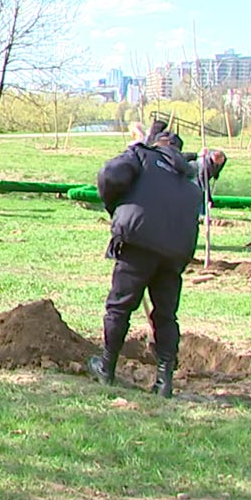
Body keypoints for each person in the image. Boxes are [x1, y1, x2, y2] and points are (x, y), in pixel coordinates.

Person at [88, 120, 204, 398]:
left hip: (138, 242)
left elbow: (109, 174)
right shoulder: (191, 180)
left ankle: (106, 365)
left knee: (119, 307)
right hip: (175, 253)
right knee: (166, 315)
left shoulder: (142, 155)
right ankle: (164, 382)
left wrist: (116, 208)